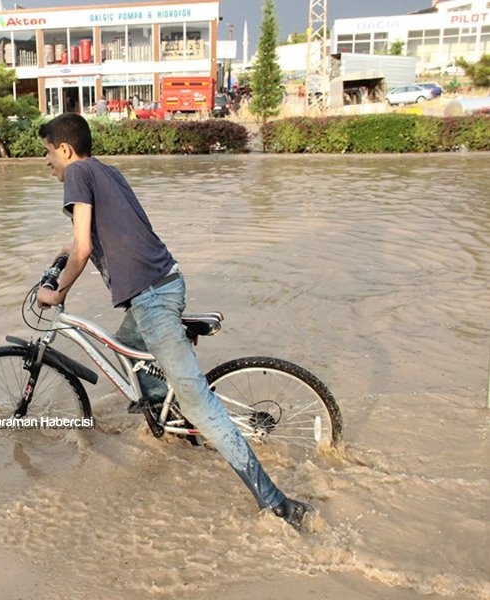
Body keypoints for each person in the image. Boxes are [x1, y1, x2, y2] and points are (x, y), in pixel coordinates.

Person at [35, 112, 314, 531]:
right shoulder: (106, 172)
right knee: (130, 357)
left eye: (47, 153)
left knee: (200, 404)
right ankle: (168, 422)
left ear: (65, 150)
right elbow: (84, 241)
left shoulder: (77, 173)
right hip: (162, 283)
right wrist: (57, 261)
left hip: (151, 298)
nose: (47, 162)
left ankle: (276, 503)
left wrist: (57, 293)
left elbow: (82, 246)